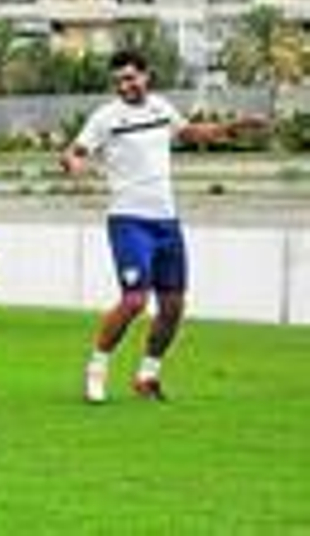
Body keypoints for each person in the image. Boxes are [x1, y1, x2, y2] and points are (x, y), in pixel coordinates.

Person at [60, 49, 256, 404]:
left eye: (131, 78)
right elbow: (74, 151)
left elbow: (192, 133)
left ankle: (147, 376)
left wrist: (232, 127)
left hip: (166, 221)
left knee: (173, 306)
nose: (125, 85)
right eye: (119, 80)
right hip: (128, 220)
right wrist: (73, 164)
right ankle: (96, 370)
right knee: (135, 300)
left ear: (146, 76)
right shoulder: (105, 117)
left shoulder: (161, 108)